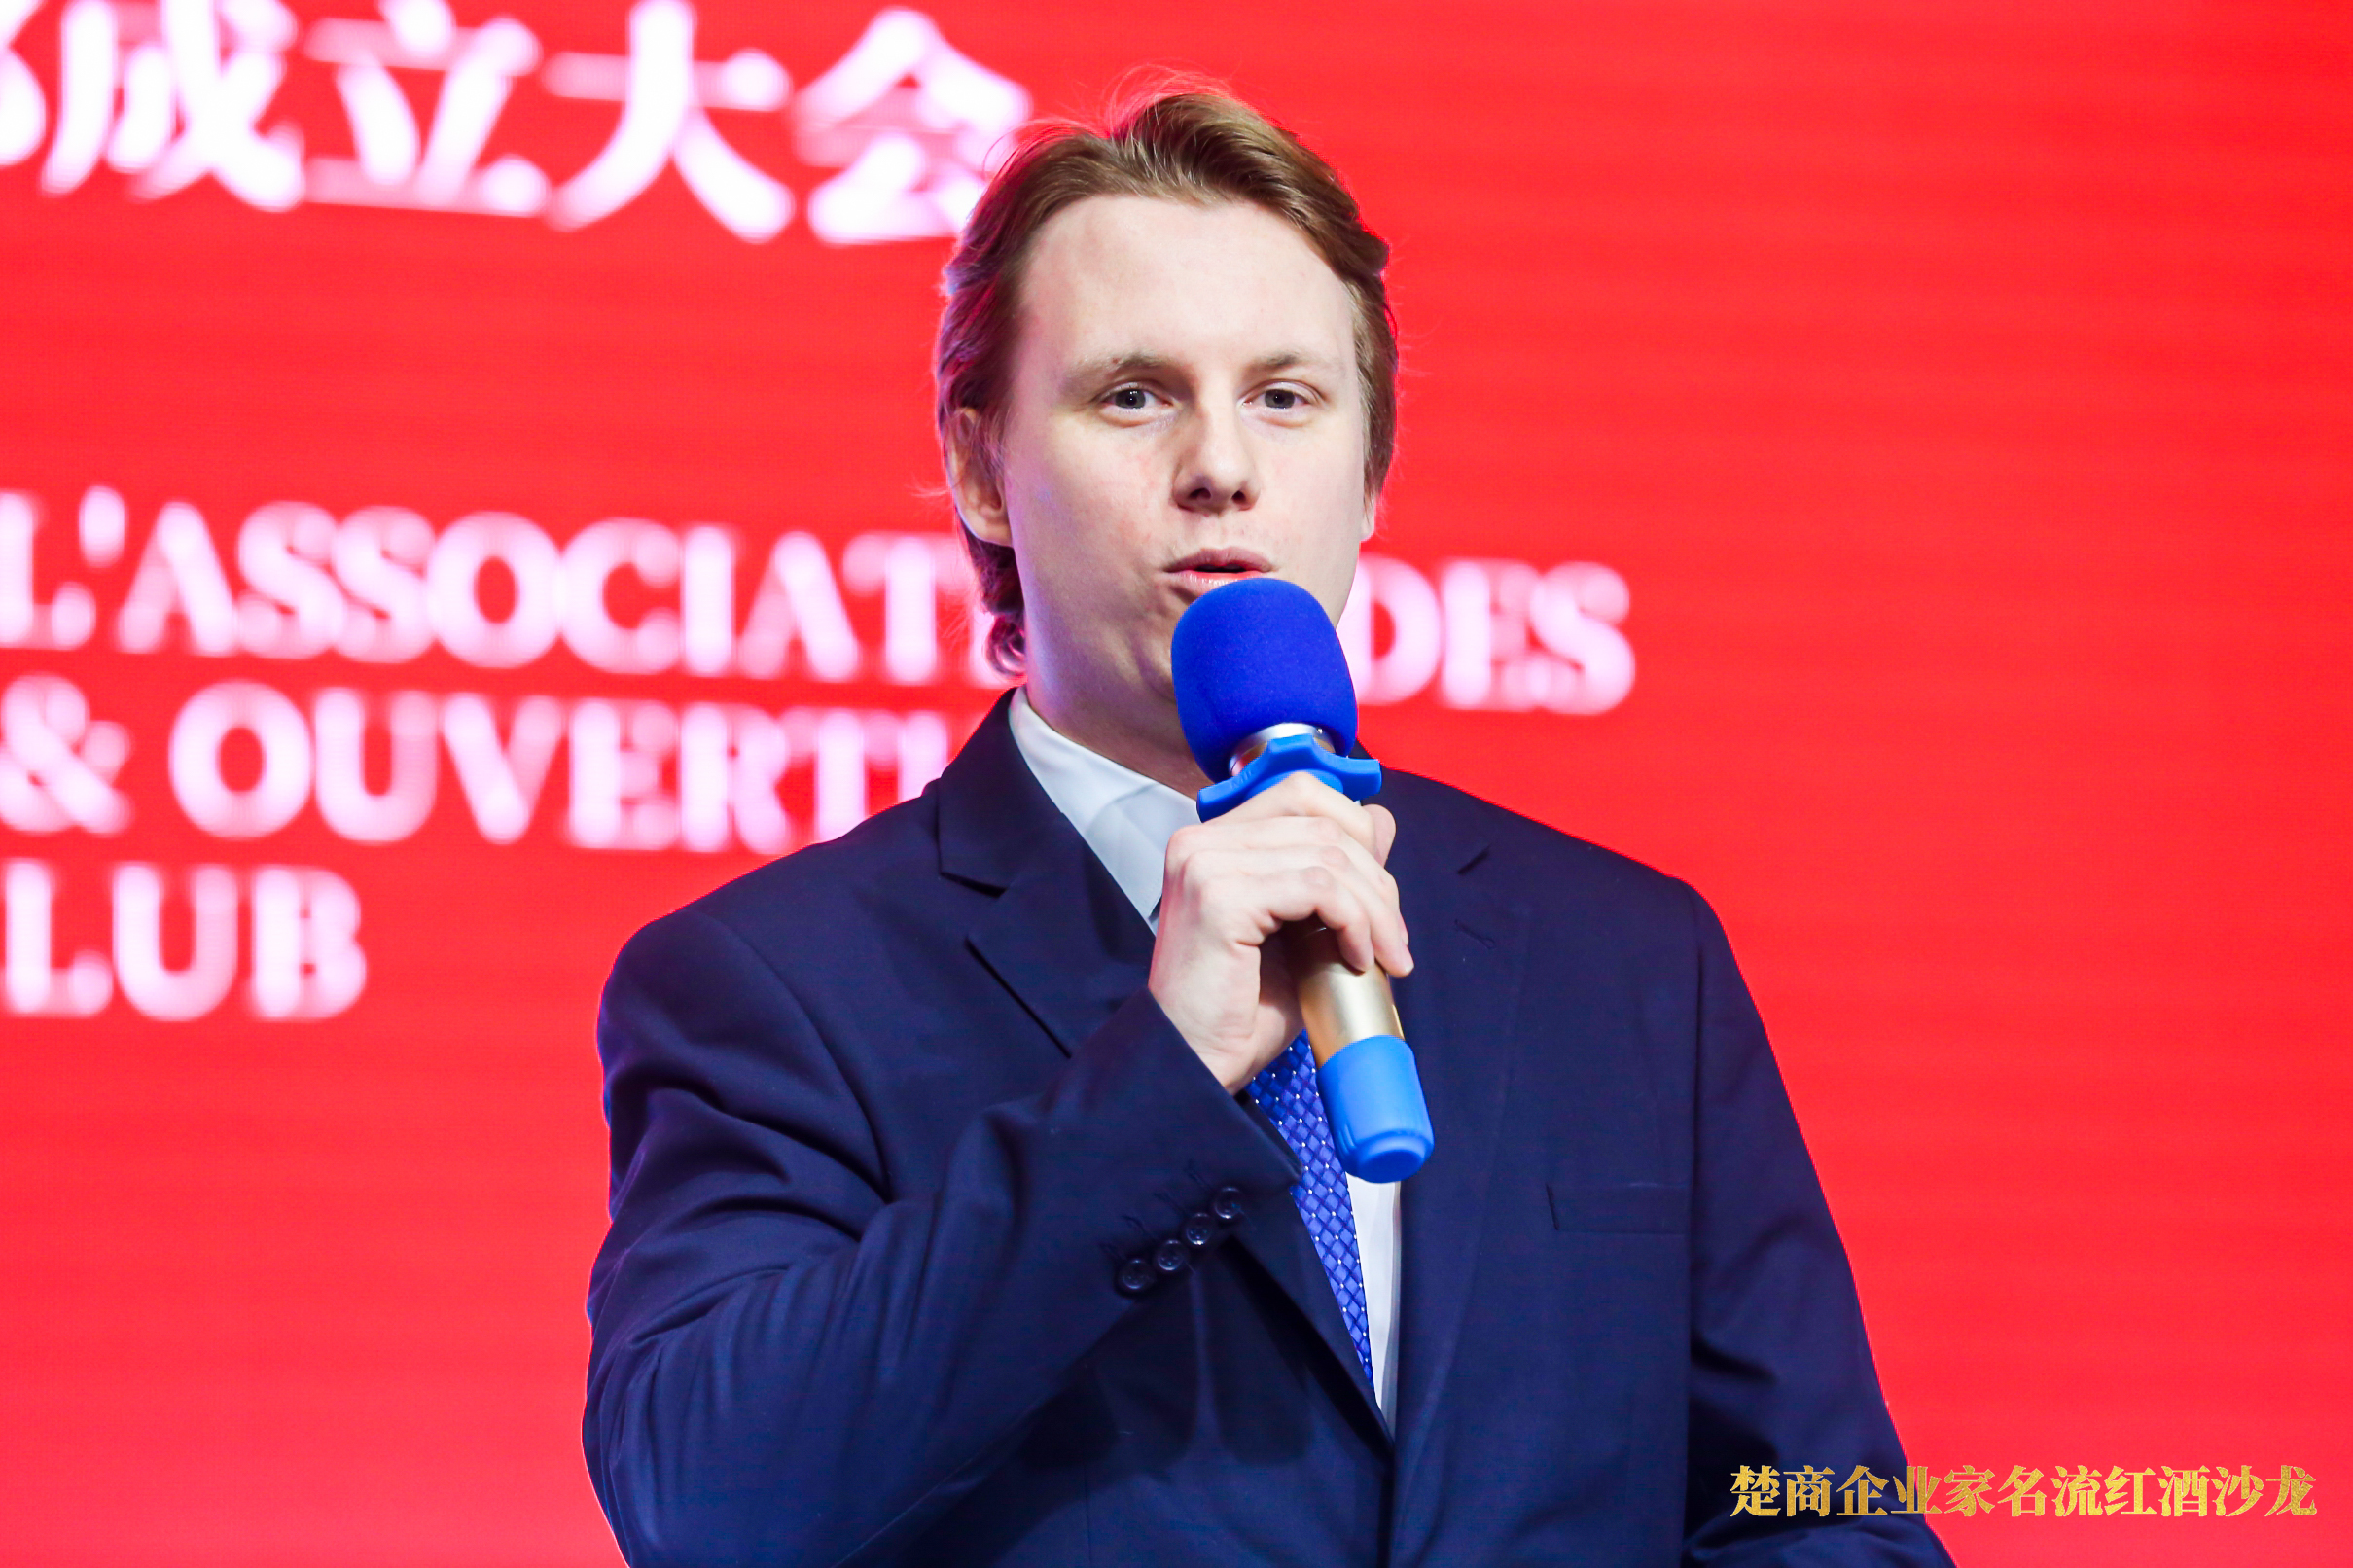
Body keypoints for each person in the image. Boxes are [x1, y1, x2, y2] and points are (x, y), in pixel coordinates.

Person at [584, 88, 1954, 1568]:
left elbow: (1817, 1510)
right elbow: (706, 1501)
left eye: (1286, 398)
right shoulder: (774, 983)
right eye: (1134, 395)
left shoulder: (1624, 959)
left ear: (1370, 477)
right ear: (980, 468)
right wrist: (1156, 1083)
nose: (1221, 466)